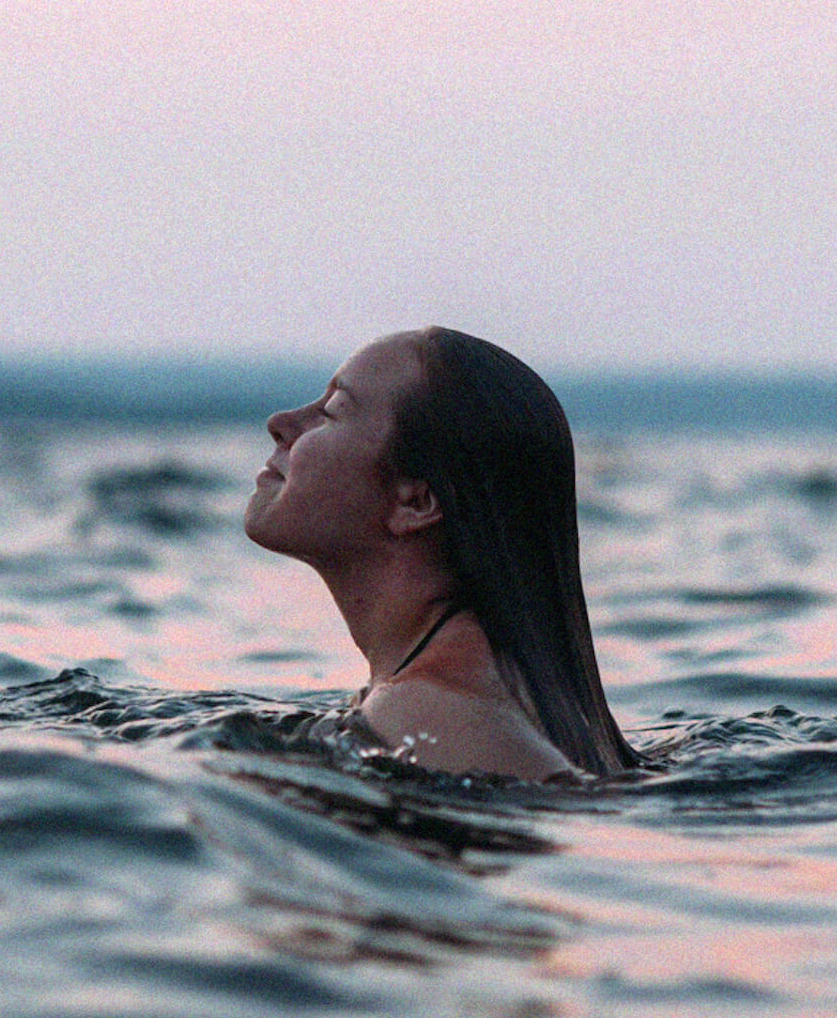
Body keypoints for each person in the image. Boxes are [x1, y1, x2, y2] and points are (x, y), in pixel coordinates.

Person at [244, 326, 638, 781]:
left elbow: (567, 809)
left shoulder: (422, 709)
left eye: (333, 411)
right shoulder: (486, 691)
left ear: (415, 502)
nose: (281, 422)